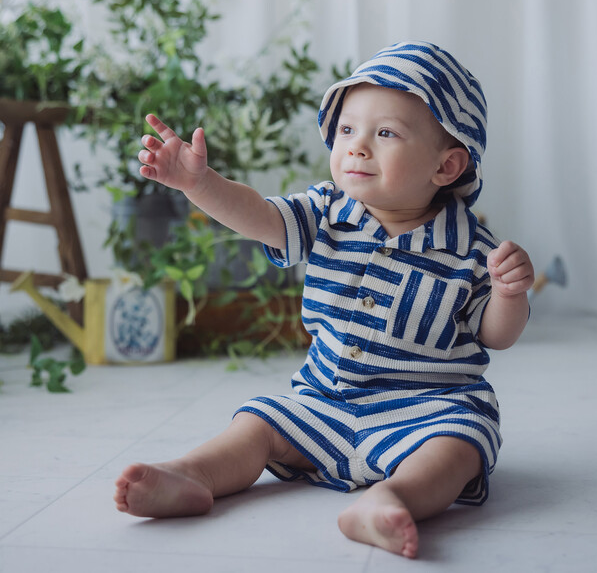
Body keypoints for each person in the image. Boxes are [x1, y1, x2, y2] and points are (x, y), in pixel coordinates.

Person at [114, 41, 534, 559]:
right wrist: (200, 184)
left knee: (462, 443)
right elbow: (261, 216)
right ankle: (191, 474)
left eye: (385, 134)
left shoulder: (472, 248)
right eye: (347, 130)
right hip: (323, 401)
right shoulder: (328, 209)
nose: (357, 147)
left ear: (446, 167)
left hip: (427, 410)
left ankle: (390, 500)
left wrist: (510, 293)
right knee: (260, 423)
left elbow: (497, 334)